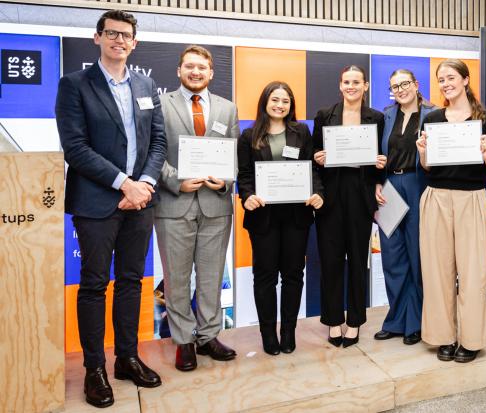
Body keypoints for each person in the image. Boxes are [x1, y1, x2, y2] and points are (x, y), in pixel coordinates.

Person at [55, 9, 167, 408]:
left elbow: (158, 142)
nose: (120, 41)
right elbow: (76, 148)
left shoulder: (146, 84)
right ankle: (94, 369)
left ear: (135, 43)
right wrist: (125, 183)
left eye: (126, 36)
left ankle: (127, 358)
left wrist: (146, 184)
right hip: (98, 200)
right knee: (93, 285)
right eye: (112, 34)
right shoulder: (74, 85)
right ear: (97, 38)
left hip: (141, 201)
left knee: (132, 281)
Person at [155, 45, 240, 372]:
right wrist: (176, 180)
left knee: (211, 277)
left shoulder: (227, 108)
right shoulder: (161, 104)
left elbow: (232, 154)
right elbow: (151, 151)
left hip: (216, 206)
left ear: (211, 73)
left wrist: (226, 181)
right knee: (176, 281)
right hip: (174, 203)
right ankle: (183, 342)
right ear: (179, 71)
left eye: (201, 68)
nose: (195, 72)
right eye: (189, 66)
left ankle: (208, 336)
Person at [417, 59, 486, 363]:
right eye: (441, 80)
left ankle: (471, 340)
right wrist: (423, 152)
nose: (445, 84)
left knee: (473, 274)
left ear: (465, 80)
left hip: (472, 199)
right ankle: (444, 337)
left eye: (451, 78)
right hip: (436, 198)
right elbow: (428, 167)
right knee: (437, 273)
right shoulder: (434, 118)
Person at [237, 81, 324, 355]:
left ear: (291, 105)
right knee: (264, 277)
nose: (279, 105)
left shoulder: (302, 132)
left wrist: (317, 192)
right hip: (263, 217)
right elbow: (245, 175)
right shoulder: (249, 135)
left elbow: (312, 170)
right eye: (275, 100)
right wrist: (247, 196)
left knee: (293, 275)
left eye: (285, 101)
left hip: (296, 216)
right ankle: (267, 333)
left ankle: (288, 331)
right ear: (265, 102)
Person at [312, 65, 385, 348]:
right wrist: (318, 157)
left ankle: (354, 321)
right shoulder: (324, 116)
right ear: (340, 85)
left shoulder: (376, 118)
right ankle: (332, 319)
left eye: (356, 82)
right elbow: (312, 156)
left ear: (365, 86)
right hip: (330, 194)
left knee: (357, 260)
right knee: (330, 260)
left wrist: (380, 167)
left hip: (360, 192)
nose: (351, 86)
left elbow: (382, 156)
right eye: (346, 82)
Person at [373, 69, 436, 345]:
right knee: (392, 255)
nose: (400, 90)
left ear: (416, 85)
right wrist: (376, 182)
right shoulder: (385, 116)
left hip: (418, 184)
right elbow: (375, 152)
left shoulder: (432, 114)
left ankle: (418, 322)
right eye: (395, 86)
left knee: (417, 255)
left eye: (405, 84)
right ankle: (396, 320)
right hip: (388, 186)